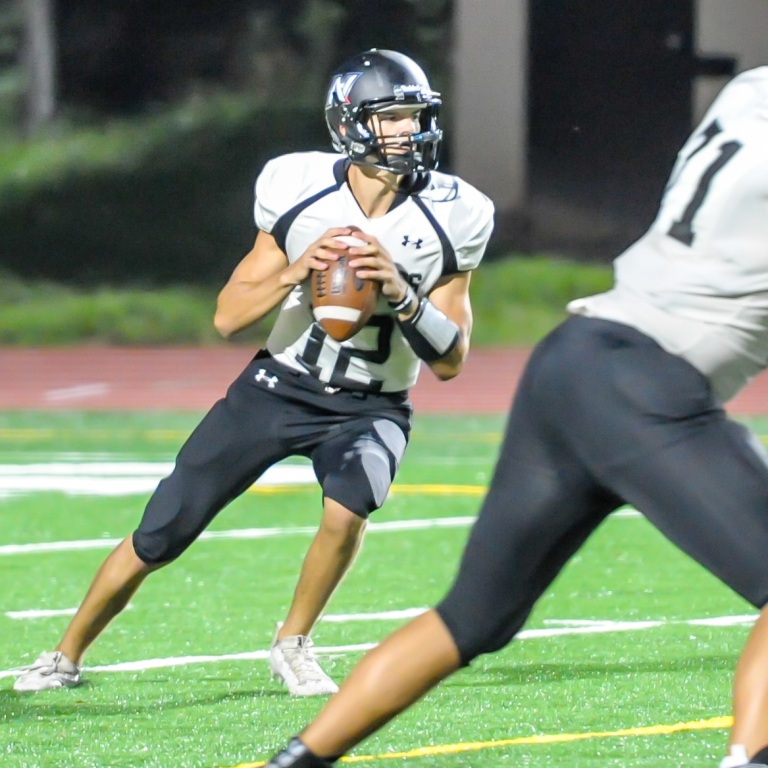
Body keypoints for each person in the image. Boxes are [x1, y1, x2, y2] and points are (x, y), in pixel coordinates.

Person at [263, 65, 768, 766]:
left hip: (572, 360)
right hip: (647, 387)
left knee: (469, 621)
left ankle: (295, 761)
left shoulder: (750, 94)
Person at [11, 49, 494, 697]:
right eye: (393, 118)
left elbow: (452, 359)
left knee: (349, 508)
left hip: (372, 402)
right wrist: (300, 270)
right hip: (279, 386)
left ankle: (293, 644)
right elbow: (227, 316)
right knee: (164, 528)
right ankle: (64, 654)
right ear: (351, 124)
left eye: (416, 116)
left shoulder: (457, 211)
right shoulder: (298, 187)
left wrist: (401, 293)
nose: (409, 131)